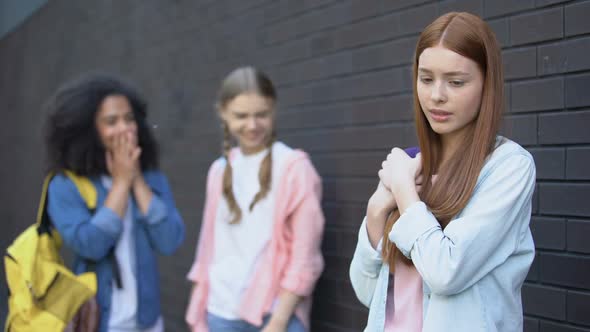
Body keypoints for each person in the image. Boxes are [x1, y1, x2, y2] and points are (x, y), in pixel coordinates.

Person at [349, 12, 536, 332]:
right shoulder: (412, 164)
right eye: (426, 79)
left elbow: (446, 272)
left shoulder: (508, 167)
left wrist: (404, 192)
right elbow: (370, 294)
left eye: (456, 82)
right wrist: (376, 208)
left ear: (486, 84)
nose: (437, 95)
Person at [185, 66, 325, 332]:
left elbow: (305, 255)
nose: (252, 125)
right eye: (241, 116)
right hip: (220, 313)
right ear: (223, 113)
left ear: (273, 110)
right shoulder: (218, 170)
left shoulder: (294, 167)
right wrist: (198, 313)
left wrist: (279, 320)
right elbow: (207, 247)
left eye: (261, 114)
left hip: (275, 315)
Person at [45, 73, 185, 332]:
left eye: (129, 119)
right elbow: (91, 245)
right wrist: (121, 184)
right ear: (89, 130)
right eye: (111, 121)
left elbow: (170, 240)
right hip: (100, 322)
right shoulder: (65, 185)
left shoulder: (152, 177)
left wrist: (137, 180)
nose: (125, 128)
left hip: (148, 321)